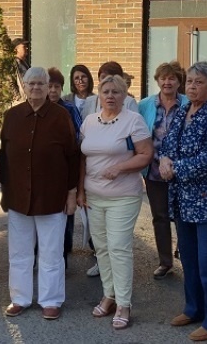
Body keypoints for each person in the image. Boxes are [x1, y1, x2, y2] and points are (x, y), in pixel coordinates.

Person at [159, 62, 207, 342]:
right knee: (189, 261)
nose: (192, 86)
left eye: (198, 82)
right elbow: (167, 144)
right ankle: (194, 308)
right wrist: (164, 160)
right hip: (183, 200)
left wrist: (176, 168)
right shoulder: (183, 110)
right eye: (189, 81)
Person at [0, 67, 78, 321]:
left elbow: (73, 156)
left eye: (40, 84)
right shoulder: (12, 116)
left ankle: (51, 300)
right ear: (24, 86)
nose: (35, 88)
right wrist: (5, 191)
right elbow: (4, 156)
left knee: (51, 252)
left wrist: (72, 193)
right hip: (18, 197)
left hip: (52, 196)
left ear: (48, 88)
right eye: (31, 83)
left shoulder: (60, 116)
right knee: (19, 252)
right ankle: (19, 298)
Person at [78, 75, 152, 330]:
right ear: (99, 95)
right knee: (101, 248)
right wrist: (80, 191)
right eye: (106, 91)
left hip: (123, 196)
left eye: (116, 92)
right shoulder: (89, 121)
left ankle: (124, 304)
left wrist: (120, 167)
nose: (110, 96)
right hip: (93, 196)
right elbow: (82, 158)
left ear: (124, 96)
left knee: (119, 248)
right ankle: (108, 295)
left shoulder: (133, 120)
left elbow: (146, 154)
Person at [137, 61, 187, 279]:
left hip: (182, 171)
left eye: (172, 78)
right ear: (157, 80)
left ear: (179, 81)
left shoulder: (188, 104)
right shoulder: (145, 105)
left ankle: (186, 254)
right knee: (160, 216)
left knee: (184, 215)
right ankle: (165, 261)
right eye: (163, 78)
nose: (167, 82)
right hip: (154, 171)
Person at [47, 67, 83, 268]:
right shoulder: (38, 108)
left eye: (57, 87)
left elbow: (78, 135)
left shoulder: (69, 109)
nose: (53, 90)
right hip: (45, 171)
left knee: (65, 211)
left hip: (65, 166)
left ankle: (64, 251)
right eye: (50, 86)